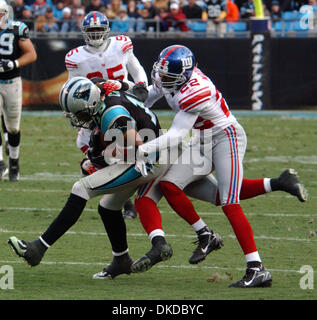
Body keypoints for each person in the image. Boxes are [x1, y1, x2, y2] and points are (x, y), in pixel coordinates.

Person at [131, 45, 308, 287]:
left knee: (229, 202)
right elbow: (149, 96)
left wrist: (142, 150)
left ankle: (257, 268)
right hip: (201, 139)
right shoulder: (171, 78)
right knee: (170, 184)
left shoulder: (195, 90)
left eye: (168, 76)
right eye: (160, 73)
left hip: (226, 138)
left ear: (183, 76)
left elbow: (175, 135)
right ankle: (210, 232)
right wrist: (127, 98)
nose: (161, 79)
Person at [8, 76, 170, 280]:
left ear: (92, 103)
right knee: (108, 208)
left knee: (81, 188)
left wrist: (111, 156)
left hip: (147, 159)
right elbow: (134, 87)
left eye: (80, 113)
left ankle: (38, 249)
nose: (77, 118)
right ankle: (121, 260)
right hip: (150, 149)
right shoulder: (102, 87)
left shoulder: (112, 113)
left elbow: (132, 140)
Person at [65, 11, 149, 219]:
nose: (95, 34)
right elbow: (72, 85)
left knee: (131, 150)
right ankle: (123, 199)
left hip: (124, 103)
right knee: (91, 153)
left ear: (107, 30)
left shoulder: (121, 45)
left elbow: (137, 70)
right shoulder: (76, 58)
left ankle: (137, 195)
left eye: (98, 30)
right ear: (84, 32)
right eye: (91, 31)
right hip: (97, 110)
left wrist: (139, 86)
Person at [0, 1, 37, 181]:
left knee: (13, 128)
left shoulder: (16, 29)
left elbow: (31, 54)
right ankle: (0, 163)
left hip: (12, 82)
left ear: (5, 13)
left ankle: (14, 161)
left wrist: (13, 63)